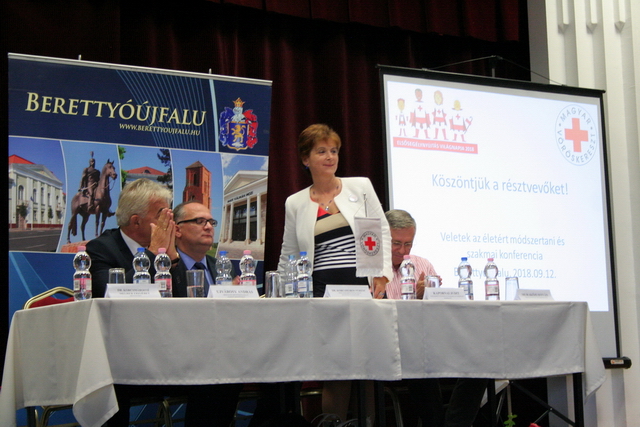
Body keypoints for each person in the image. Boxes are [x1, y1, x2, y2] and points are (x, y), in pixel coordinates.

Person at [85, 179, 239, 426]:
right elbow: (108, 295)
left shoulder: (171, 249)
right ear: (136, 221)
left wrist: (173, 261)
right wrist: (153, 253)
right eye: (162, 214)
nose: (170, 221)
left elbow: (186, 306)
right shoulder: (102, 248)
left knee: (222, 375)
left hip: (171, 353)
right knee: (109, 387)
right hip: (124, 359)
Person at [278, 124, 393, 424]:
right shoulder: (295, 202)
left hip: (362, 287)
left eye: (334, 151)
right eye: (321, 151)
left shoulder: (360, 186)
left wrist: (382, 275)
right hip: (322, 293)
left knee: (367, 368)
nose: (330, 157)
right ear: (306, 159)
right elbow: (289, 252)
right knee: (336, 370)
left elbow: (381, 230)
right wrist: (281, 293)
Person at [385, 209, 489, 427]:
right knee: (420, 362)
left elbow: (440, 314)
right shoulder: (371, 270)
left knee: (482, 359)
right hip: (394, 347)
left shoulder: (422, 265)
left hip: (431, 342)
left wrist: (430, 295)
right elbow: (381, 314)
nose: (403, 251)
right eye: (396, 243)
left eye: (408, 244)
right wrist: (415, 297)